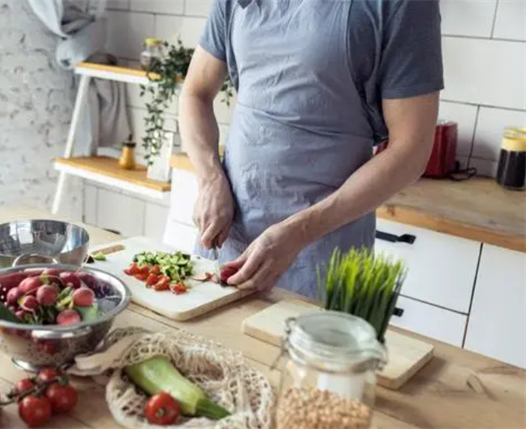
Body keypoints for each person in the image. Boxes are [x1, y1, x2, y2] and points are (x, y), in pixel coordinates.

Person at [179, 0, 443, 298]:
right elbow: (195, 94)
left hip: (320, 251)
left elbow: (411, 149)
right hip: (228, 237)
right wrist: (210, 179)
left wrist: (300, 232)